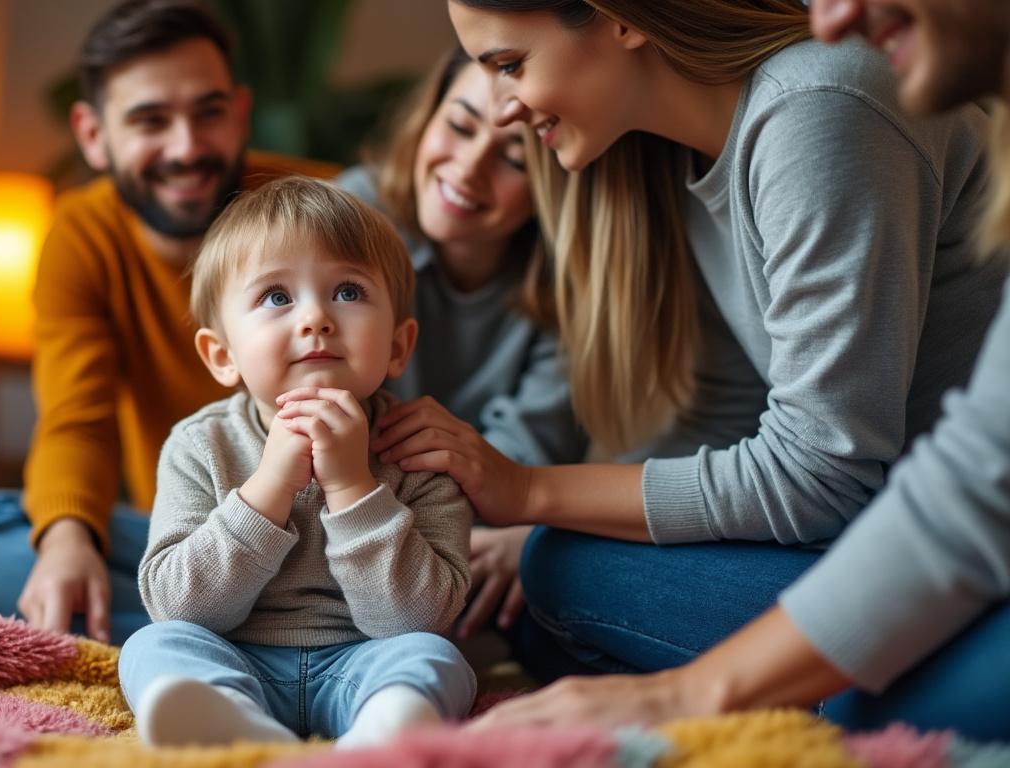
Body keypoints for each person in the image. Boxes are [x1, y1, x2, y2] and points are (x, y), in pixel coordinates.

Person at [372, 0, 1006, 683]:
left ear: (620, 17)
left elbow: (823, 473)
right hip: (885, 537)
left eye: (511, 66)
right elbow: (725, 413)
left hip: (959, 558)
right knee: (544, 579)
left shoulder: (818, 108)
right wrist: (547, 524)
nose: (504, 110)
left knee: (558, 576)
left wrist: (527, 492)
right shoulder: (674, 154)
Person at [0, 0, 331, 645]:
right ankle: (285, 629)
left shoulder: (321, 207)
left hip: (333, 532)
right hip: (184, 540)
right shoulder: (82, 234)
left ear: (239, 112)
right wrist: (69, 538)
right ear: (93, 135)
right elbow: (77, 420)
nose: (187, 148)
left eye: (208, 113)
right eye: (150, 120)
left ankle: (227, 625)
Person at [117, 177, 475, 748]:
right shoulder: (199, 444)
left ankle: (386, 727)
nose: (315, 319)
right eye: (277, 297)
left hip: (364, 661)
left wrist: (355, 487)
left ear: (398, 347)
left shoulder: (417, 448)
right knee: (151, 646)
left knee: (436, 656)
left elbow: (421, 617)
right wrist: (269, 486)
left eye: (349, 292)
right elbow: (177, 605)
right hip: (238, 657)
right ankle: (230, 717)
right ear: (222, 355)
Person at [337, 48, 585, 647]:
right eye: (459, 125)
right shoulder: (348, 221)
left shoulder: (568, 287)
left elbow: (520, 467)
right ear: (427, 118)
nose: (469, 170)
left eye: (513, 158)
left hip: (457, 549)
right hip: (336, 512)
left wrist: (517, 532)